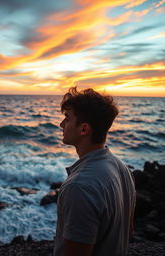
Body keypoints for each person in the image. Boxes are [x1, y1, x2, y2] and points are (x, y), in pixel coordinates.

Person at [54, 87, 136, 256]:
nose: (61, 124)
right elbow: (128, 230)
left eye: (67, 119)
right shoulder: (122, 168)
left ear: (84, 129)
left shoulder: (79, 186)